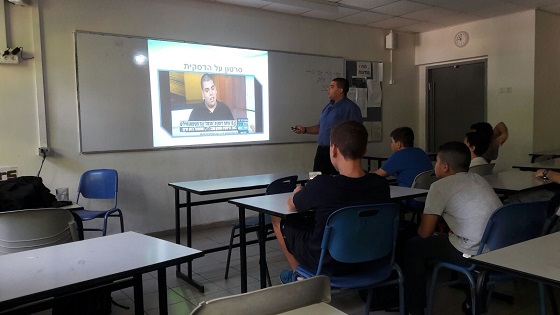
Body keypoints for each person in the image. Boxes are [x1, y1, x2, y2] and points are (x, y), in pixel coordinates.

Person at [272, 121, 390, 283]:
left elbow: (291, 205)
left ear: (333, 149)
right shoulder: (381, 184)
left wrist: (298, 191)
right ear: (364, 150)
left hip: (328, 261)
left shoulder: (322, 184)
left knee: (278, 219)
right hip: (372, 258)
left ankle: (298, 276)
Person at [403, 141, 502, 315]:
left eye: (437, 161)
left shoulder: (439, 186)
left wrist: (428, 232)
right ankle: (473, 300)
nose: (435, 165)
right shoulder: (478, 178)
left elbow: (425, 232)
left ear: (445, 166)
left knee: (413, 246)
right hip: (498, 247)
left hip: (474, 252)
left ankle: (415, 309)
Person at [292, 78, 362, 175]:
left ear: (340, 90)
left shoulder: (351, 108)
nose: (328, 89)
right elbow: (321, 127)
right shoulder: (328, 107)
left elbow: (357, 132)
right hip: (322, 151)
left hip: (338, 152)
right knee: (315, 179)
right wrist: (304, 130)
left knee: (334, 182)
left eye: (332, 86)